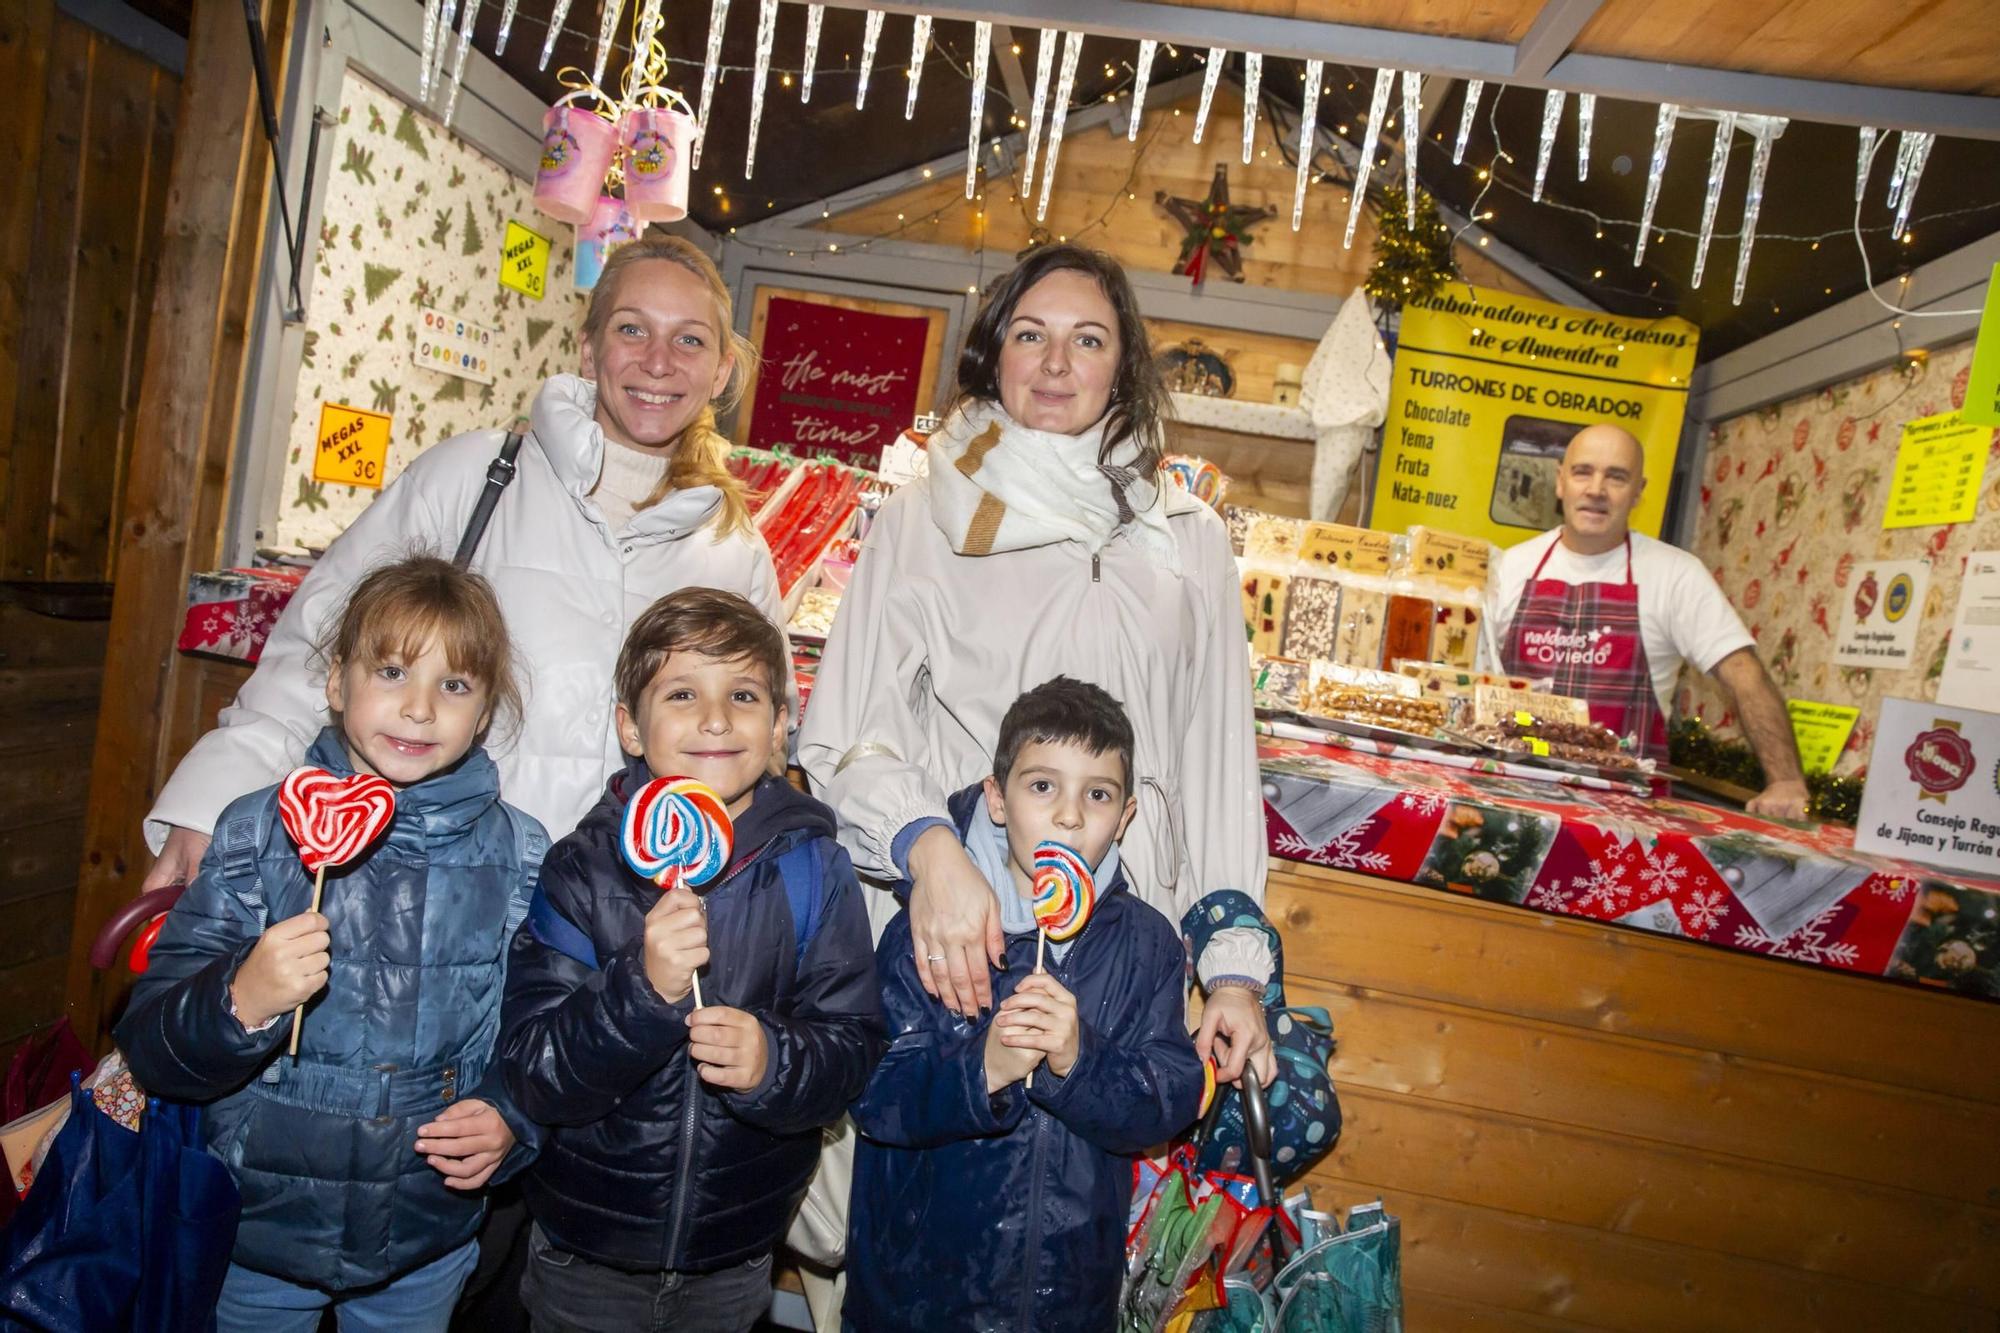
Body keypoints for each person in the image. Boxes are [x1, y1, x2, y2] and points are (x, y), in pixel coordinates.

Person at [141, 233, 784, 890]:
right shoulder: (473, 478)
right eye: (632, 328)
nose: (658, 361)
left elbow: (758, 750)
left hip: (627, 923)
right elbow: (319, 649)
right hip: (442, 896)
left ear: (722, 370)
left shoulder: (735, 552)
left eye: (689, 340)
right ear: (589, 350)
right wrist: (211, 803)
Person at [797, 243, 1277, 1092]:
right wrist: (931, 850)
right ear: (994, 354)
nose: (1057, 364)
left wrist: (1232, 966)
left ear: (1123, 364)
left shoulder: (1186, 536)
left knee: (1083, 1194)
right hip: (963, 927)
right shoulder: (923, 519)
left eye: (1088, 340)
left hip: (1132, 939)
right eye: (1031, 335)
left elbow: (1216, 767)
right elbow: (844, 738)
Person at [115, 555, 546, 1331]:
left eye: (454, 684)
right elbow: (150, 1041)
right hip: (254, 1233)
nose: (419, 709)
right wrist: (239, 998)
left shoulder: (518, 854)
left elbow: (541, 1035)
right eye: (391, 670)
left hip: (426, 1234)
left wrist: (515, 1117)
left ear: (485, 713)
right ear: (336, 682)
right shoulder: (255, 832)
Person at [498, 589, 885, 1333]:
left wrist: (774, 1059)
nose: (714, 718)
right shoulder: (582, 870)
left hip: (735, 1251)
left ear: (780, 724)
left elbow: (852, 1047)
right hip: (586, 1251)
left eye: (743, 694)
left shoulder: (813, 870)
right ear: (630, 726)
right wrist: (641, 991)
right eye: (682, 694)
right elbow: (532, 1068)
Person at [844, 677, 1204, 1331]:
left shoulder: (1148, 943)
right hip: (921, 1296)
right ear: (997, 798)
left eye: (1097, 794)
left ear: (1124, 816)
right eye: (1043, 786)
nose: (1069, 814)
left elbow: (1168, 1098)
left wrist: (1079, 1059)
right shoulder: (932, 928)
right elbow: (874, 1095)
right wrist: (981, 1069)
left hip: (1067, 1299)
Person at [1494, 422, 1810, 818]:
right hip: (1510, 796)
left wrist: (1784, 780)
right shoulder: (1509, 567)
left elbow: (1743, 672)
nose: (1596, 489)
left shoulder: (1676, 575)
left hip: (1625, 816)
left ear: (1638, 492)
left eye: (1616, 477)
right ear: (1560, 482)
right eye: (1582, 472)